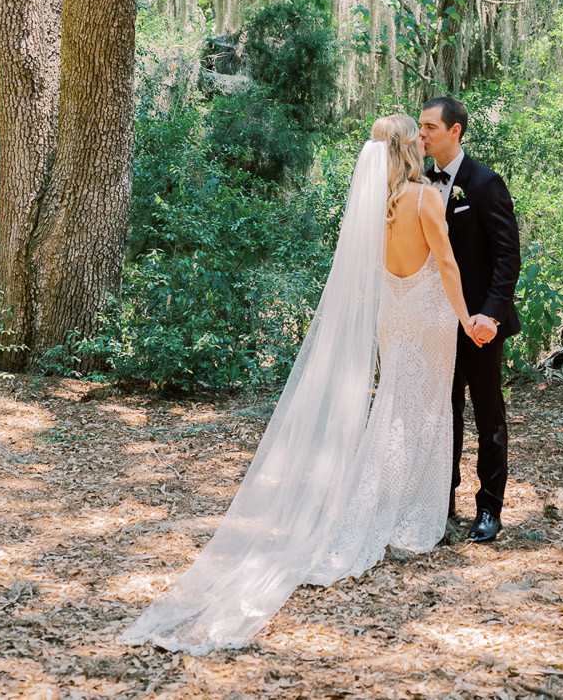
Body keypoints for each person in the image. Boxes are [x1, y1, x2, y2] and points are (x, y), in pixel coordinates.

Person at [119, 114, 474, 655]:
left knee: (393, 411)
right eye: (417, 137)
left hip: (393, 318)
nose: (425, 143)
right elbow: (446, 263)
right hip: (429, 318)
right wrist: (468, 318)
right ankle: (407, 517)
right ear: (408, 149)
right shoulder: (425, 199)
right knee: (423, 413)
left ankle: (386, 509)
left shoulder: (372, 207)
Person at [419, 96, 521, 545]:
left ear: (454, 131)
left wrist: (491, 315)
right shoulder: (416, 183)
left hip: (478, 324)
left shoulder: (484, 183)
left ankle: (489, 508)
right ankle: (441, 502)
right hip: (432, 323)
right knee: (443, 415)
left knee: (487, 413)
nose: (421, 135)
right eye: (420, 127)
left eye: (429, 128)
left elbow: (506, 256)